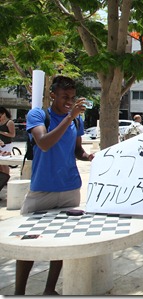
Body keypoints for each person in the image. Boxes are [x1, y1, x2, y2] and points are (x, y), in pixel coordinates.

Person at [15, 76, 94, 295]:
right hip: (42, 189)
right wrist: (69, 117)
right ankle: (19, 291)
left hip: (69, 189)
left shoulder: (76, 120)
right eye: (64, 97)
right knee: (27, 241)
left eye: (71, 97)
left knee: (61, 241)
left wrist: (88, 156)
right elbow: (44, 143)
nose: (68, 101)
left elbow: (76, 150)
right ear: (52, 95)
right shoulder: (39, 115)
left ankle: (49, 289)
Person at [0, 107, 16, 190]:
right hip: (0, 144)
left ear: (4, 114)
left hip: (6, 144)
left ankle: (5, 180)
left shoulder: (10, 122)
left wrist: (2, 132)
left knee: (5, 164)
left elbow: (12, 134)